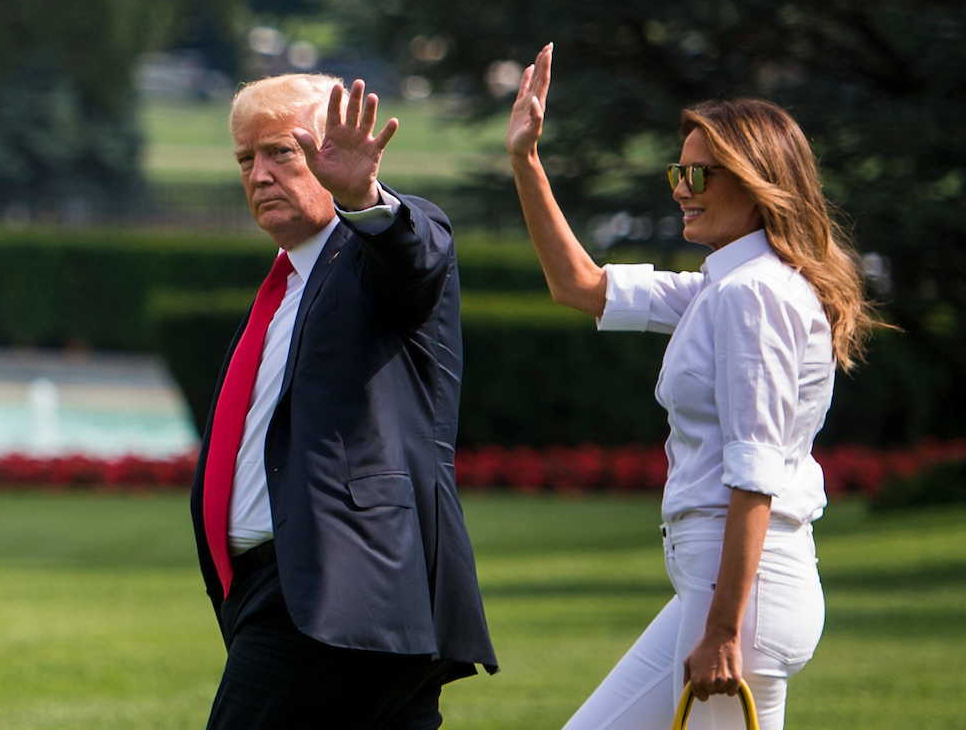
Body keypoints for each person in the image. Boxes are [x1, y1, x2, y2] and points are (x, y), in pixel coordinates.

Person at [505, 45, 876, 729]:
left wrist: (727, 631)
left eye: (701, 174)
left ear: (755, 179)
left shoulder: (753, 294)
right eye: (679, 170)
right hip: (725, 592)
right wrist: (526, 162)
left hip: (740, 602)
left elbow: (755, 471)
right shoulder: (725, 284)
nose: (681, 188)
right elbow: (580, 286)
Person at [191, 73, 496, 730]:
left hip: (334, 590)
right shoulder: (284, 287)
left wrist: (360, 195)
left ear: (334, 152)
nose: (260, 175)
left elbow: (413, 255)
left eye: (281, 153)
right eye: (247, 159)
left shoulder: (372, 248)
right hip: (315, 595)